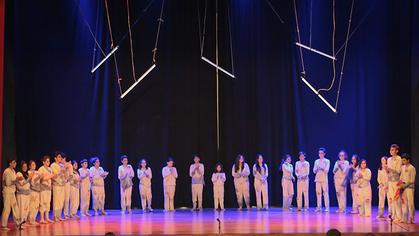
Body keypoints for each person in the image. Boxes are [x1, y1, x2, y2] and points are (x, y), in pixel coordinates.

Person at [1, 158, 22, 231]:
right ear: (10, 163)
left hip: (12, 192)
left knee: (15, 207)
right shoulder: (7, 171)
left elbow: (13, 182)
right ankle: (3, 226)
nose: (15, 163)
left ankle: (18, 224)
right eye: (14, 162)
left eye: (15, 162)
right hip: (7, 192)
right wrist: (16, 180)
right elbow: (7, 183)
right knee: (7, 208)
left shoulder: (13, 171)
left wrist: (17, 180)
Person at [51, 151, 67, 221]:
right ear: (55, 158)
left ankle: (59, 215)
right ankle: (55, 216)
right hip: (56, 185)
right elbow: (55, 174)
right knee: (56, 201)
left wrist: (65, 171)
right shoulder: (53, 165)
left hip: (62, 185)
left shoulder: (62, 165)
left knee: (61, 200)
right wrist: (62, 170)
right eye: (59, 157)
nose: (60, 158)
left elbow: (64, 175)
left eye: (61, 157)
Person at [387, 144, 402, 221]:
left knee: (397, 199)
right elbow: (388, 171)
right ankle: (393, 215)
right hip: (390, 181)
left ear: (397, 151)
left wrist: (390, 169)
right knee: (391, 199)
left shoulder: (399, 159)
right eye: (390, 149)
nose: (391, 151)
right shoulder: (389, 159)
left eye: (393, 150)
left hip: (396, 181)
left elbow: (398, 171)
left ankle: (399, 217)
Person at [399, 153, 415, 224]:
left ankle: (411, 218)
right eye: (402, 160)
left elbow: (412, 180)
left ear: (408, 160)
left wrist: (405, 185)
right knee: (404, 203)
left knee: (410, 203)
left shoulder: (412, 168)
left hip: (409, 188)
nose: (403, 162)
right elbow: (401, 177)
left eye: (404, 160)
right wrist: (400, 184)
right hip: (403, 187)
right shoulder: (402, 167)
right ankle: (404, 218)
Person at [38, 155, 55, 224]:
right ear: (43, 162)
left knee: (48, 203)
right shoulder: (41, 169)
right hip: (43, 188)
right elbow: (40, 179)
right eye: (47, 161)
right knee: (43, 203)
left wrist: (51, 183)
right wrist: (49, 177)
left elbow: (51, 178)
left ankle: (47, 218)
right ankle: (42, 218)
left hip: (48, 188)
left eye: (49, 161)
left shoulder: (50, 169)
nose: (48, 162)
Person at [313, 147, 330, 212]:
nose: (320, 154)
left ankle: (327, 207)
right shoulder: (316, 161)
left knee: (325, 193)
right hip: (317, 179)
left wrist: (321, 168)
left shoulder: (327, 161)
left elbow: (326, 170)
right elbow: (314, 171)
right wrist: (317, 169)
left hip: (324, 179)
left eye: (322, 153)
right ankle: (319, 207)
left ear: (324, 154)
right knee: (318, 193)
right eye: (319, 153)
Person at [16, 161, 33, 226]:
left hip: (27, 193)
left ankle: (24, 222)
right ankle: (20, 223)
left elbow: (28, 183)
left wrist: (30, 178)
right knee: (21, 208)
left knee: (26, 208)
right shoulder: (19, 173)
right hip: (21, 194)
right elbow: (22, 183)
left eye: (26, 166)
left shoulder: (26, 174)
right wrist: (29, 178)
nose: (25, 167)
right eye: (24, 166)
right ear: (21, 167)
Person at [28, 160, 41, 225]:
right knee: (32, 206)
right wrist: (38, 178)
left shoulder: (37, 172)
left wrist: (40, 177)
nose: (34, 166)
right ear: (29, 166)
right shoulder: (29, 172)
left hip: (37, 191)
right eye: (32, 165)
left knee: (36, 206)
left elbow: (39, 180)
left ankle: (33, 219)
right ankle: (30, 219)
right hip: (32, 191)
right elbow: (32, 182)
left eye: (35, 164)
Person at [62, 154, 72, 219]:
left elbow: (71, 175)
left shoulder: (69, 165)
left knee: (66, 199)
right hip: (60, 184)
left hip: (67, 183)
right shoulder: (59, 165)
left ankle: (65, 214)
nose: (61, 160)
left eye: (63, 158)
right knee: (60, 199)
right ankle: (58, 214)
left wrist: (67, 179)